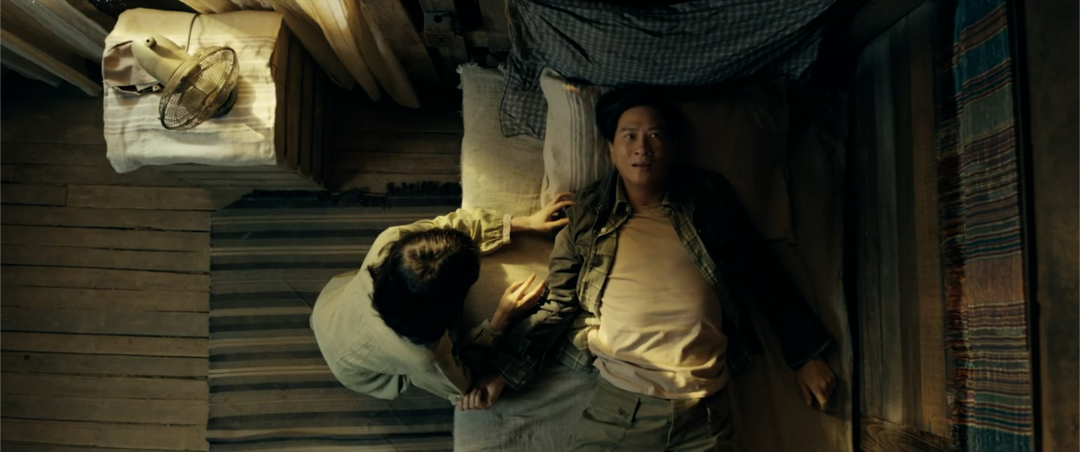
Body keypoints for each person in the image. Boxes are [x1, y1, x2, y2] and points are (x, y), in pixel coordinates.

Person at [460, 91, 839, 452]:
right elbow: (558, 303)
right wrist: (503, 372)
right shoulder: (588, 215)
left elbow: (761, 270)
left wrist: (805, 354)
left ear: (673, 147)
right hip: (623, 408)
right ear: (610, 149)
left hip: (706, 412)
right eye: (629, 136)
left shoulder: (708, 198)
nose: (642, 147)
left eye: (655, 135)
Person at [310, 196, 574, 406]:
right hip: (353, 369)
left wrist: (524, 223)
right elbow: (464, 384)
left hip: (328, 309)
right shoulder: (424, 356)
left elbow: (450, 225)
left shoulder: (389, 242)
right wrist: (500, 319)